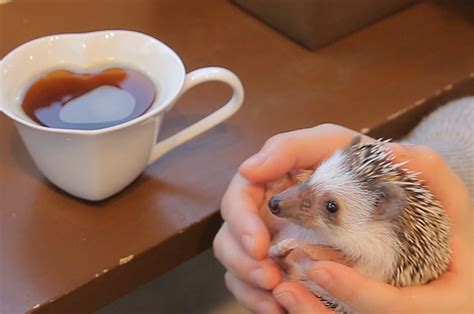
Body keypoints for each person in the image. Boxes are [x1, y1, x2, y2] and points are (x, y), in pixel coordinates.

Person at [213, 124, 473, 313]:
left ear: (381, 207)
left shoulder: (378, 248)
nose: (282, 203)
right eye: (312, 179)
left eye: (331, 206)